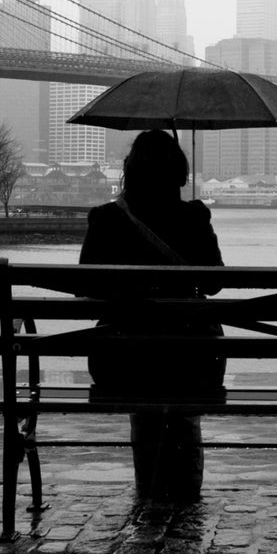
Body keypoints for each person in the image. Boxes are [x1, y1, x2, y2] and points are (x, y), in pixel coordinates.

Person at [79, 129, 225, 501]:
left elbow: (88, 286)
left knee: (144, 394)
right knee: (182, 400)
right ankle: (186, 494)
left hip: (123, 366)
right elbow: (215, 284)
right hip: (193, 364)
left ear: (130, 172)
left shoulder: (106, 219)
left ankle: (149, 492)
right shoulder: (194, 217)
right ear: (180, 172)